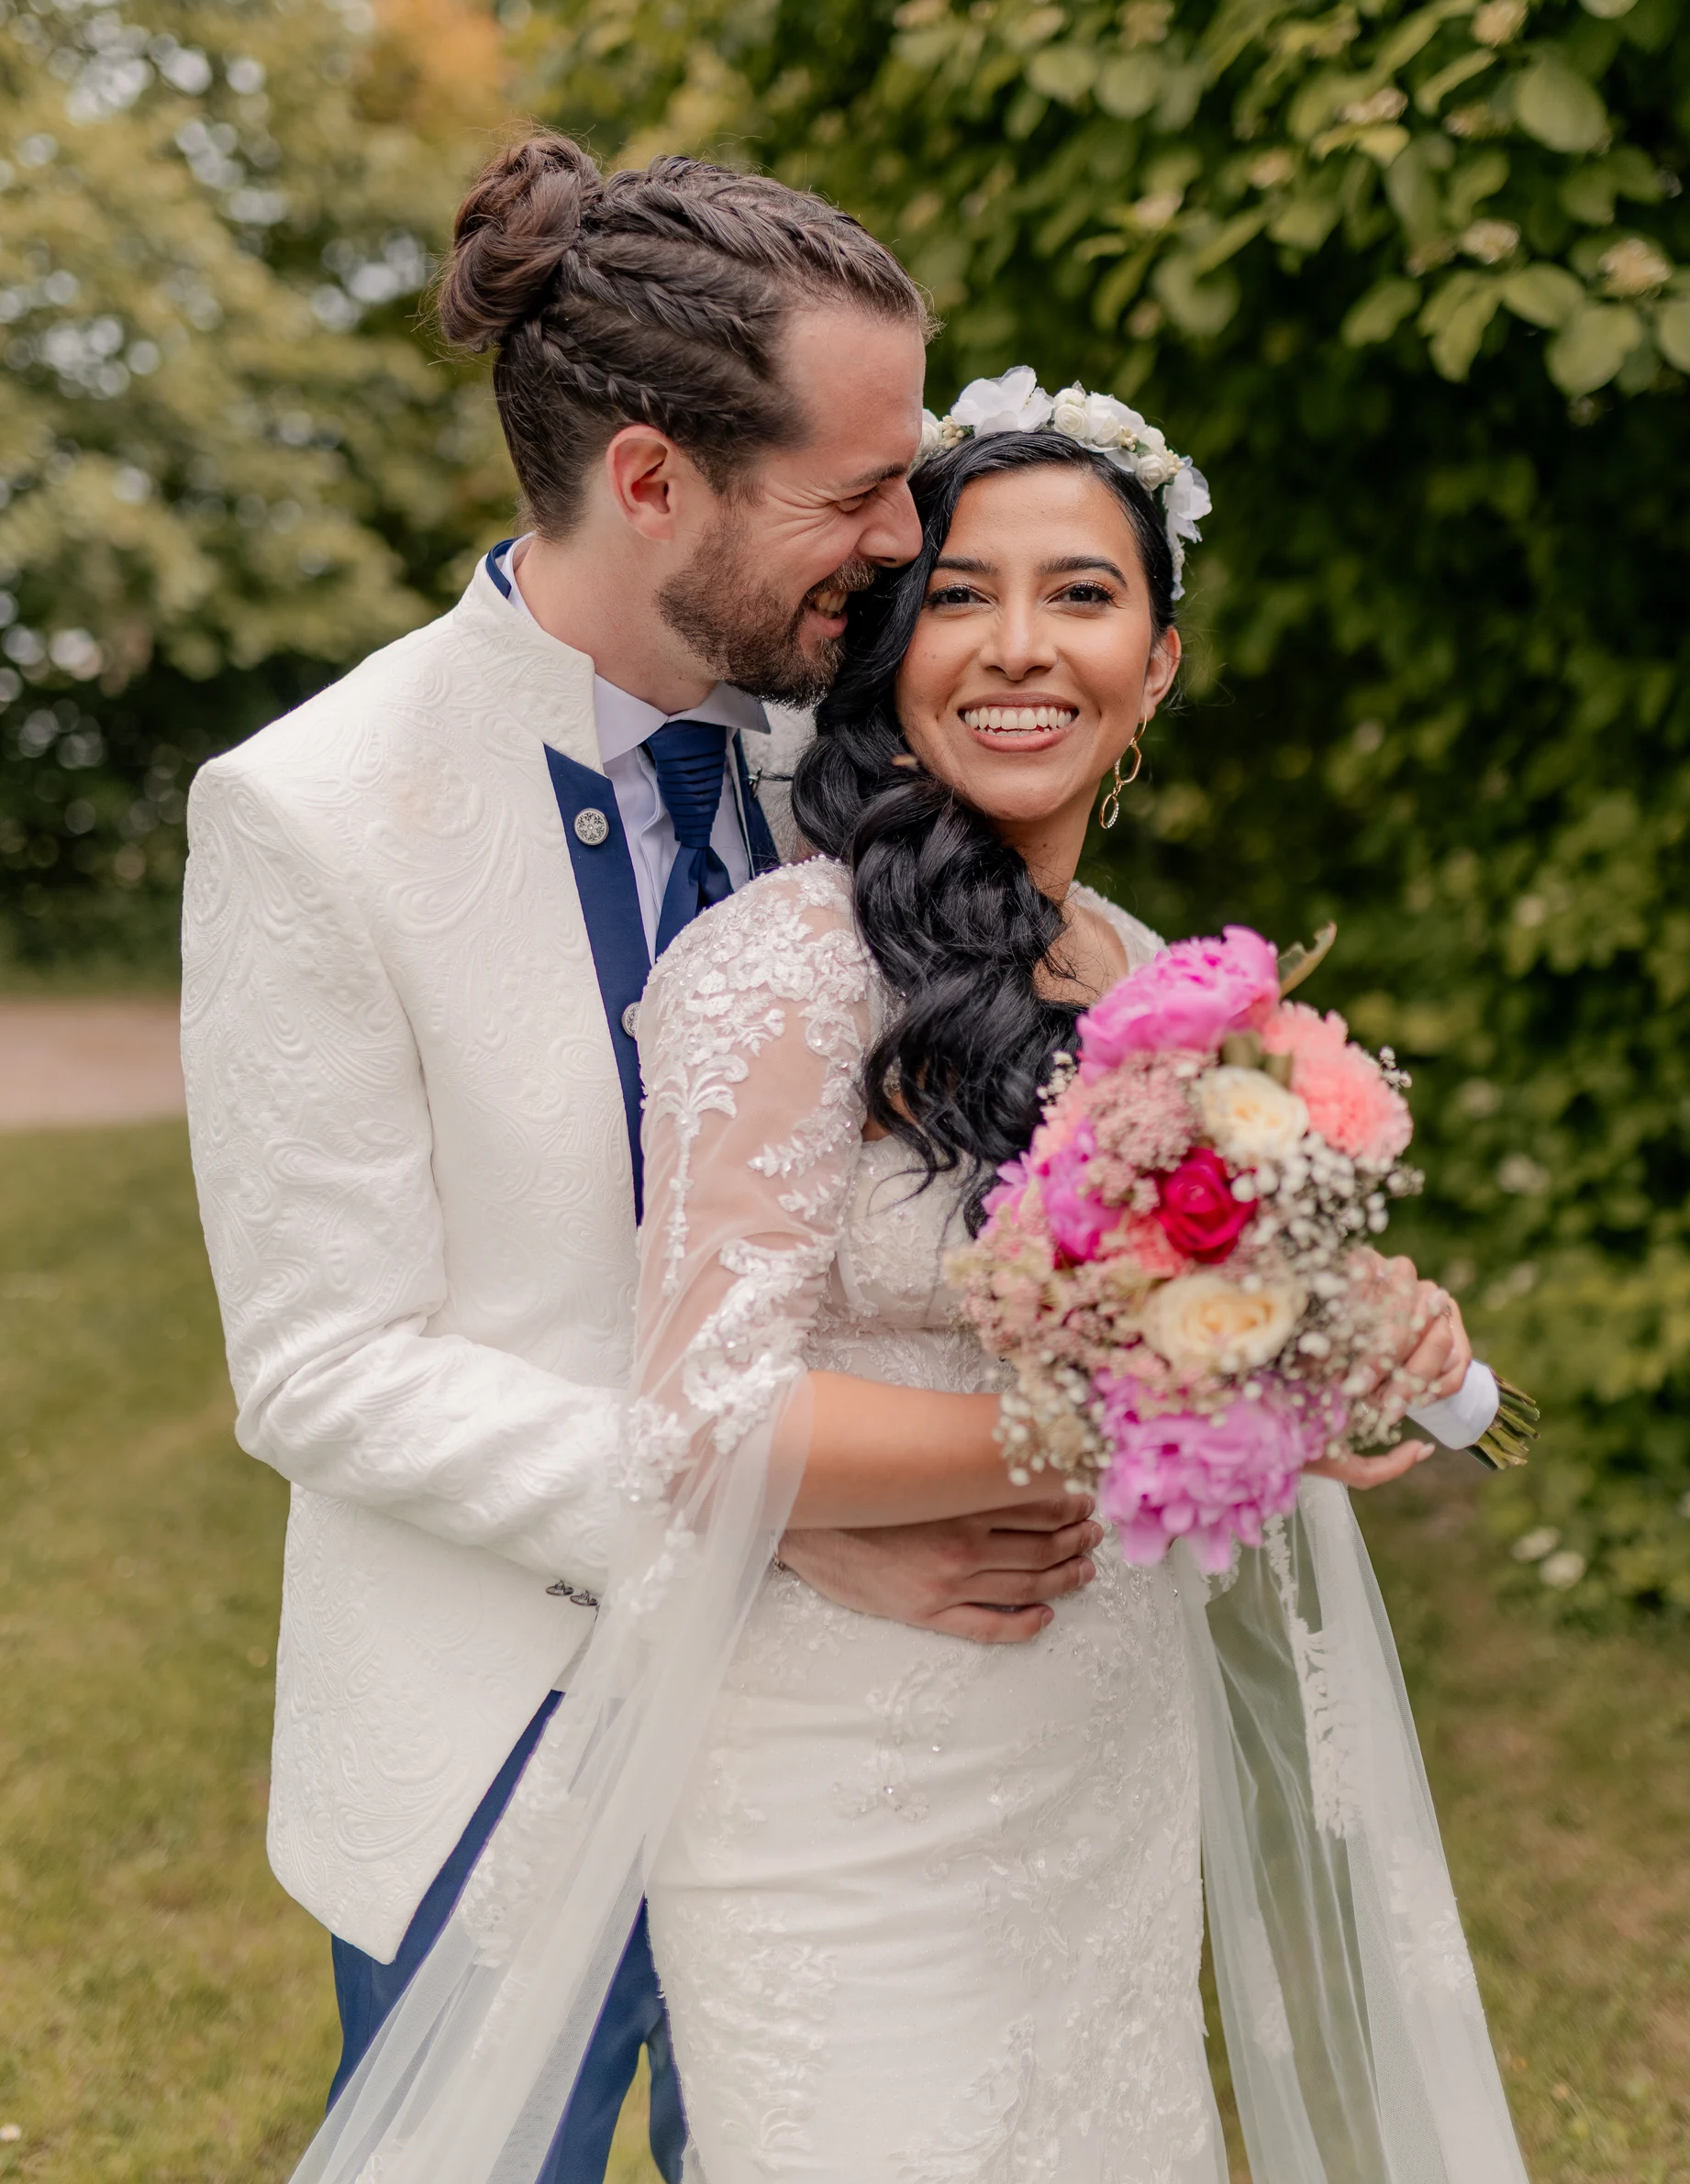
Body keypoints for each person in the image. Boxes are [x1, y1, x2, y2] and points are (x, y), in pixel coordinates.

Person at [291, 392, 1529, 2184]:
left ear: (1157, 661)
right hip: (840, 1782)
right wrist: (1155, 1419)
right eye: (959, 598)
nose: (1019, 648)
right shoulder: (781, 971)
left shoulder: (1166, 983)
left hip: (1097, 1747)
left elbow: (1206, 1303)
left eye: (1082, 595)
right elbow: (714, 1416)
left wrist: (1330, 1349)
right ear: (891, 644)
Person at [180, 136, 1105, 2184]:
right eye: (858, 493)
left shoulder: (862, 755)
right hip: (492, 1721)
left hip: (865, 1735)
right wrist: (754, 1522)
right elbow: (322, 1363)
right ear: (652, 476)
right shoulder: (308, 816)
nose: (904, 538)